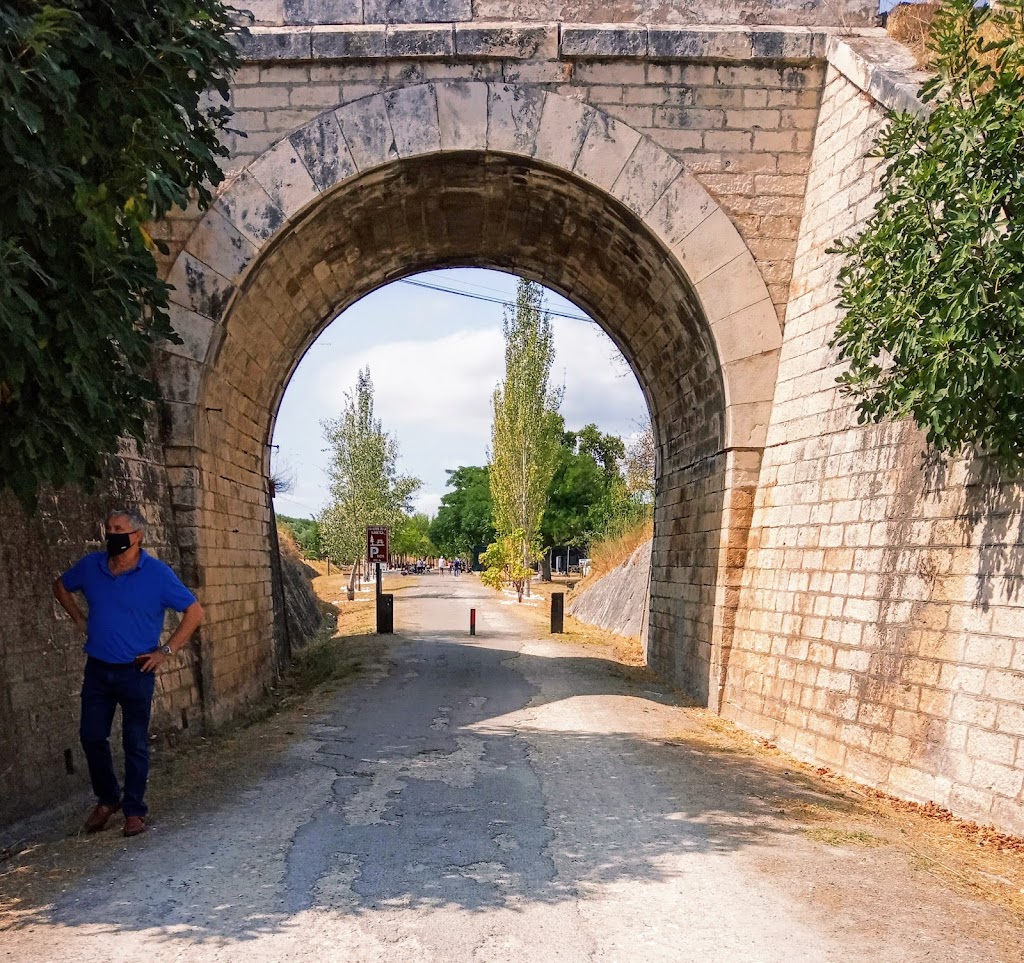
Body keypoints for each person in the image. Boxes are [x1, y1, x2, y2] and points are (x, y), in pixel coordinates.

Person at [53, 509, 204, 837]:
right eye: (108, 529)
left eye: (118, 529)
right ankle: (108, 799)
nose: (111, 534)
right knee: (91, 736)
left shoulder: (158, 575)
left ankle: (134, 810)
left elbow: (194, 611)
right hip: (98, 669)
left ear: (137, 536)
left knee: (135, 740)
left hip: (137, 671)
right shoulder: (92, 566)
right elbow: (61, 586)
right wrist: (80, 619)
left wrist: (165, 651)